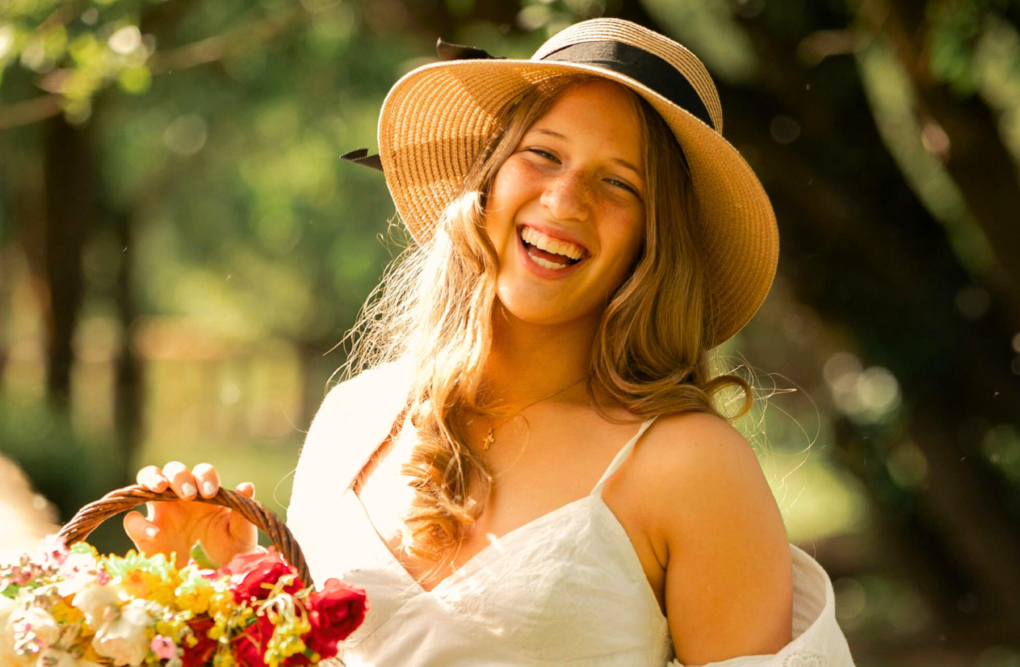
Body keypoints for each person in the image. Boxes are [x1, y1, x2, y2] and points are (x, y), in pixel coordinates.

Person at [124, 18, 856, 667]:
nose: (565, 201)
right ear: (488, 179)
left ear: (651, 246)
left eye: (620, 184)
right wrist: (224, 579)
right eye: (544, 155)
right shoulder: (354, 418)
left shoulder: (687, 465)